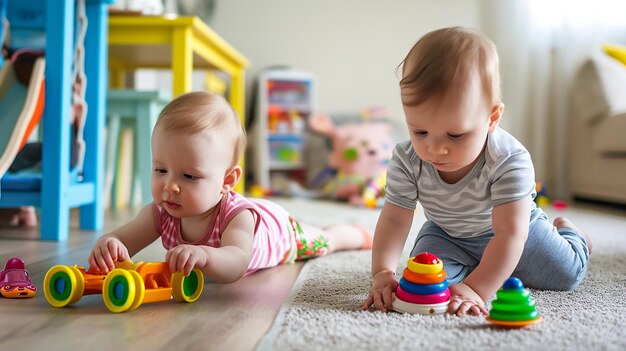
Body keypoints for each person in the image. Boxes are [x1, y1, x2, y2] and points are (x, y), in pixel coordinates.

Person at [362, 27, 591, 316]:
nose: (434, 149)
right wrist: (382, 271)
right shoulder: (407, 159)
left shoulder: (508, 160)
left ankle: (572, 234)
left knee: (564, 276)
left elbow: (510, 234)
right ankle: (476, 265)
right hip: (447, 232)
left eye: (455, 135)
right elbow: (395, 219)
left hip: (518, 230)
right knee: (425, 284)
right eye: (419, 131)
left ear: (492, 118)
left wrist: (477, 288)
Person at [88, 92, 372, 282]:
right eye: (160, 170)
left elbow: (237, 262)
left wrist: (205, 255)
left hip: (280, 233)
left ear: (226, 181)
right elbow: (123, 239)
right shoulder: (160, 213)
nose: (170, 186)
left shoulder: (237, 217)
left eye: (189, 176)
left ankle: (356, 234)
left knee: (323, 241)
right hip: (258, 219)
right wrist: (109, 245)